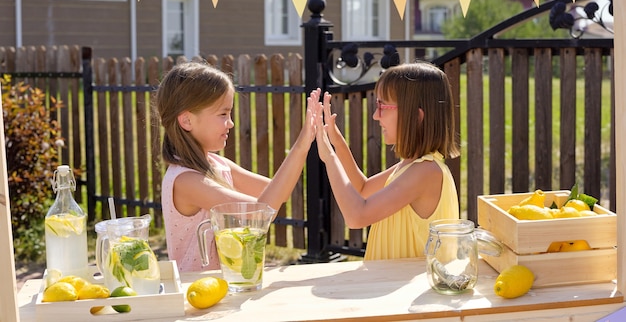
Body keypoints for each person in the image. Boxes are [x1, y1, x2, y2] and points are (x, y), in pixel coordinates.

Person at [156, 61, 320, 272]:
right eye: (223, 114)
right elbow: (262, 212)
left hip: (225, 286)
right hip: (198, 292)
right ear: (187, 121)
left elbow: (274, 192)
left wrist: (305, 143)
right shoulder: (185, 181)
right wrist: (300, 146)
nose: (231, 123)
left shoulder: (217, 164)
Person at [315, 61, 460, 260]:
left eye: (383, 106)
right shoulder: (410, 165)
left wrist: (329, 158)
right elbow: (363, 188)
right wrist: (337, 143)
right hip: (388, 283)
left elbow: (357, 216)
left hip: (401, 288)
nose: (376, 115)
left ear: (416, 117)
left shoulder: (426, 172)